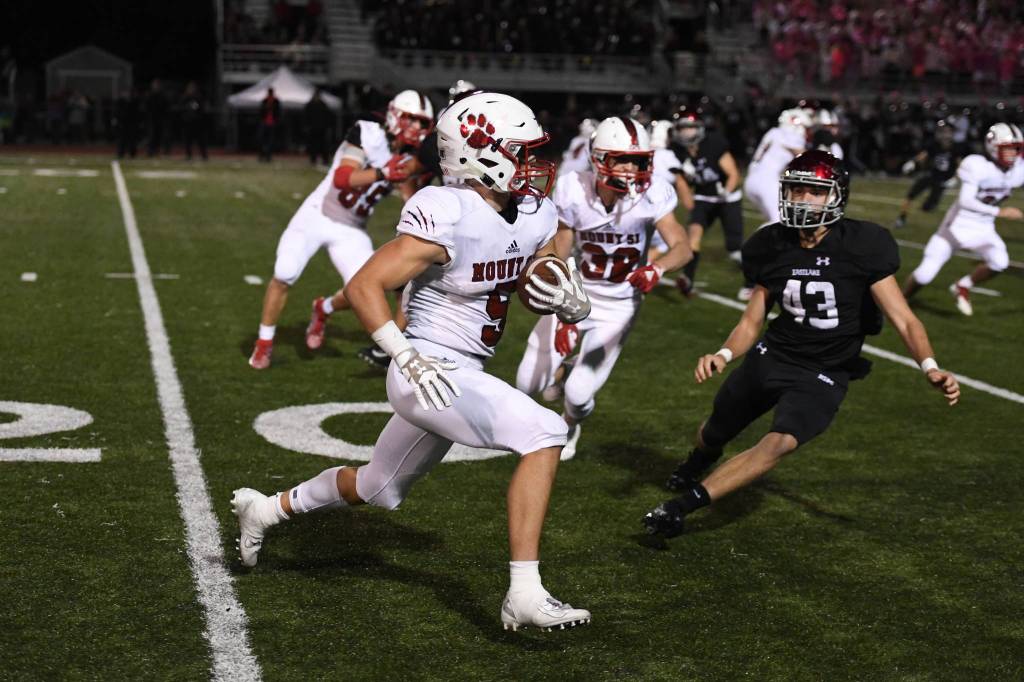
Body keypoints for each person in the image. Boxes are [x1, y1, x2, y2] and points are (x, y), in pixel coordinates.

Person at [233, 91, 594, 632]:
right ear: (479, 152)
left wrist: (559, 295)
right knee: (545, 430)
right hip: (425, 366)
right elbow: (363, 285)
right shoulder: (446, 211)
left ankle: (265, 509)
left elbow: (518, 276)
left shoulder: (535, 212)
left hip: (464, 368)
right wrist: (404, 356)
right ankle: (524, 590)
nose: (534, 165)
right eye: (521, 151)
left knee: (382, 488)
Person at [643, 150, 961, 538]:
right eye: (795, 189)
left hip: (825, 371)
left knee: (779, 443)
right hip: (773, 355)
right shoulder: (770, 244)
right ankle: (699, 459)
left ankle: (681, 507)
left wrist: (930, 366)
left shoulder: (863, 244)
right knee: (714, 431)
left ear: (836, 196)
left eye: (814, 191)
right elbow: (752, 319)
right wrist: (723, 354)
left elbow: (904, 318)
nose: (802, 199)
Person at [516, 116, 692, 460]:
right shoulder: (573, 188)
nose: (630, 168)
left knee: (579, 395)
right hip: (577, 290)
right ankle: (555, 378)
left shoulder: (653, 194)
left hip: (619, 304)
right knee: (527, 384)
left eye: (637, 160)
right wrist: (563, 309)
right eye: (621, 159)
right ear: (598, 159)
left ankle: (569, 424)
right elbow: (559, 248)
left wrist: (658, 268)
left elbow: (682, 246)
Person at [248, 90, 432, 369]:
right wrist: (383, 173)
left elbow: (409, 194)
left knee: (364, 289)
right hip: (316, 215)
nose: (416, 128)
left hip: (352, 228)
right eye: (412, 119)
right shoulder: (367, 132)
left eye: (422, 123)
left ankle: (323, 309)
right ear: (395, 115)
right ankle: (264, 343)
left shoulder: (410, 158)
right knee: (285, 272)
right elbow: (343, 178)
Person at [902, 122, 1024, 316]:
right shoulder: (977, 165)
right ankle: (901, 301)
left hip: (984, 227)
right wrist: (999, 213)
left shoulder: (1018, 169)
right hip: (956, 226)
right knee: (925, 275)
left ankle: (962, 286)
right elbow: (965, 200)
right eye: (1008, 149)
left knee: (999, 261)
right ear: (993, 147)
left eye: (1017, 149)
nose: (1014, 154)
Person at [737, 107, 812, 301]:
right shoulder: (792, 136)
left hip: (752, 180)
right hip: (767, 181)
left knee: (778, 221)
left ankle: (770, 258)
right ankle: (751, 257)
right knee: (780, 221)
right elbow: (805, 158)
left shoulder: (774, 132)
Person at [669, 106, 744, 296]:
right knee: (693, 237)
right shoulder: (676, 151)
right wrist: (691, 207)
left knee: (735, 250)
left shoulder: (714, 143)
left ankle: (753, 282)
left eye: (690, 127)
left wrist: (726, 191)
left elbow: (733, 174)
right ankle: (687, 279)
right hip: (703, 197)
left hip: (727, 199)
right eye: (683, 128)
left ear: (699, 128)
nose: (687, 132)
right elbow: (683, 188)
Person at [892, 119, 960, 229]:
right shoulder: (934, 144)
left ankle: (949, 224)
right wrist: (913, 162)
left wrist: (955, 178)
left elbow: (960, 165)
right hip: (931, 175)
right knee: (910, 195)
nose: (945, 135)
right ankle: (901, 218)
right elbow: (924, 155)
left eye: (948, 132)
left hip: (943, 181)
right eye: (943, 132)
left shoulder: (957, 147)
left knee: (928, 208)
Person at [304, 87, 333, 166]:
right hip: (313, 128)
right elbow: (306, 117)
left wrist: (327, 126)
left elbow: (328, 117)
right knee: (314, 145)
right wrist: (307, 126)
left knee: (323, 145)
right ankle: (313, 160)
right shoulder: (310, 105)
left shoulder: (322, 105)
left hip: (321, 128)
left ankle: (325, 160)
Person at [180, 82, 208, 161]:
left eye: (192, 88)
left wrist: (199, 118)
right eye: (190, 88)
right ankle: (188, 156)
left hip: (197, 123)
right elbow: (182, 109)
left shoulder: (198, 98)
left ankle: (204, 156)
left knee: (201, 141)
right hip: (188, 123)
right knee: (187, 141)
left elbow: (202, 110)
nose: (191, 90)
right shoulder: (185, 98)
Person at [258, 88, 282, 162]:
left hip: (272, 123)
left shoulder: (276, 101)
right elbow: (260, 111)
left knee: (270, 141)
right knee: (261, 140)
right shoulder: (265, 101)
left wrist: (277, 121)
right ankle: (262, 155)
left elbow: (278, 112)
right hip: (264, 123)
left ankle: (268, 156)